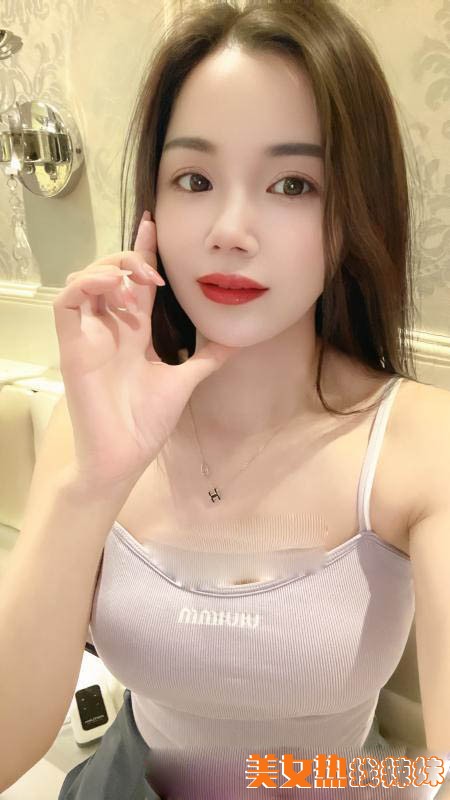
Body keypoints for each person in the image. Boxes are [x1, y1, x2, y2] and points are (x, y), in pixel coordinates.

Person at [1, 0, 449, 798]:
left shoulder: (421, 443)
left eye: (293, 184)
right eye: (195, 179)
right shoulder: (91, 423)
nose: (231, 229)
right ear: (154, 205)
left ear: (354, 212)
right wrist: (92, 481)